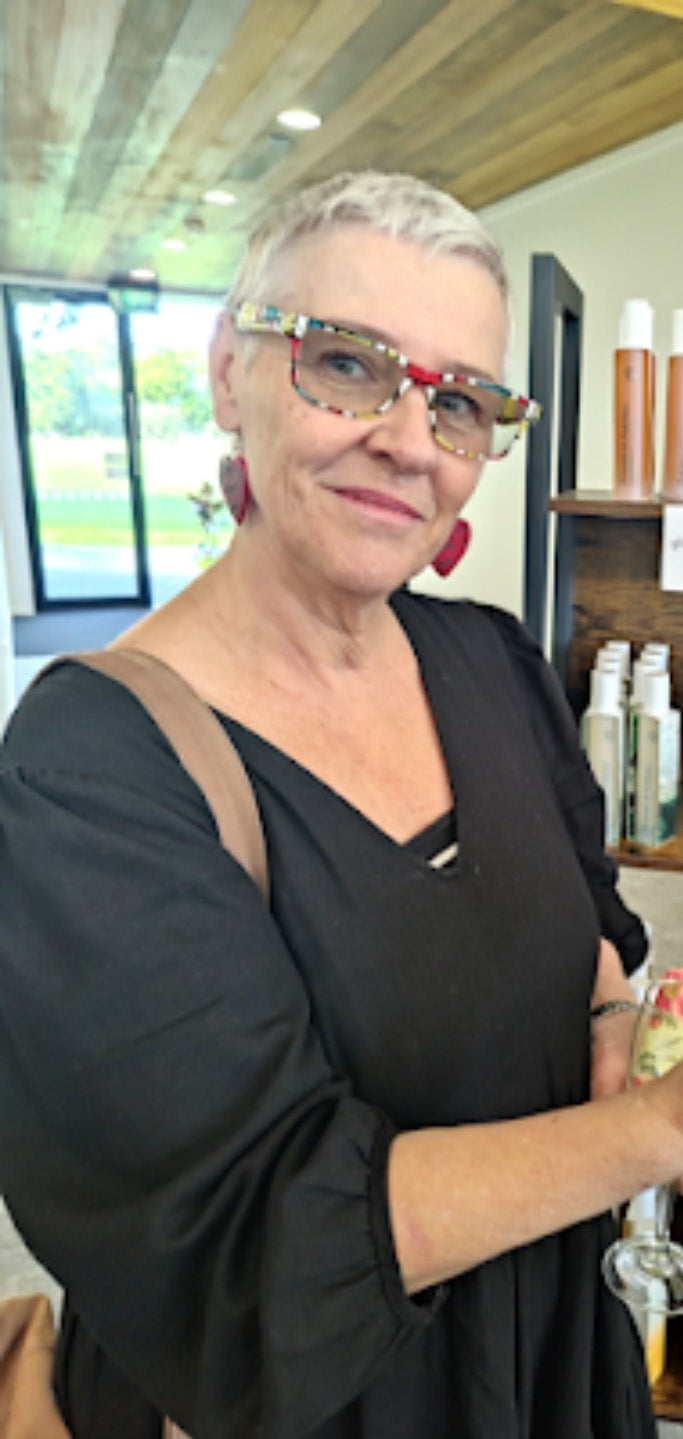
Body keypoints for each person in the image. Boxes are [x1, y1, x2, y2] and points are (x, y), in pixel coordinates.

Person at [0, 169, 678, 1439]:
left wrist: (602, 1007)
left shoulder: (495, 663)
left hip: (545, 1361)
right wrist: (650, 1135)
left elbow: (585, 916)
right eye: (350, 366)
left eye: (461, 400)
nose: (410, 442)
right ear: (227, 370)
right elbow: (258, 1245)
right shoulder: (86, 771)